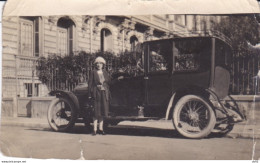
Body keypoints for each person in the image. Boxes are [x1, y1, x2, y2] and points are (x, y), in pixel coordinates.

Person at [88, 56, 111, 136]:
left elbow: (108, 82)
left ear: (103, 64)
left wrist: (105, 87)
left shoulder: (105, 72)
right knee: (95, 112)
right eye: (97, 63)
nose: (99, 65)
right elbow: (90, 84)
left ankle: (101, 129)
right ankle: (94, 129)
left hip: (103, 94)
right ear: (95, 64)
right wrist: (90, 94)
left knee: (102, 111)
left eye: (100, 63)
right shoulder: (93, 72)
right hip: (96, 94)